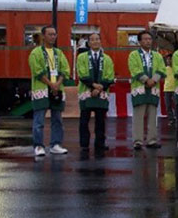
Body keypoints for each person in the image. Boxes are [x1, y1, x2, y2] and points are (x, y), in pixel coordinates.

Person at [28, 25, 70, 156]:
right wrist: (51, 84)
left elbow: (65, 69)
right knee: (39, 119)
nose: (53, 37)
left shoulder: (59, 53)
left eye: (54, 34)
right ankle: (39, 146)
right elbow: (37, 71)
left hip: (57, 89)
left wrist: (57, 83)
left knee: (57, 119)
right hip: (42, 89)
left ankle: (55, 144)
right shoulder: (36, 53)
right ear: (43, 36)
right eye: (50, 34)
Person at [77, 32, 115, 151]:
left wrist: (100, 88)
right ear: (88, 43)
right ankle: (84, 144)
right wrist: (93, 86)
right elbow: (82, 74)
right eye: (92, 40)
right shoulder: (82, 57)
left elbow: (110, 76)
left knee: (100, 120)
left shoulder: (107, 58)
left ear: (100, 41)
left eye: (97, 39)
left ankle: (100, 143)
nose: (95, 41)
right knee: (84, 119)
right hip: (86, 92)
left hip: (101, 93)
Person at [128, 31, 166, 149]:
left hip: (153, 88)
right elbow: (134, 69)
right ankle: (138, 141)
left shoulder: (157, 55)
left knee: (153, 115)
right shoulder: (134, 55)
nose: (148, 41)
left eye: (149, 39)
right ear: (139, 41)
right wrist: (146, 80)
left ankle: (152, 140)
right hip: (139, 88)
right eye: (145, 39)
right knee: (138, 115)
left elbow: (162, 69)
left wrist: (153, 80)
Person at [163, 54, 176, 124]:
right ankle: (171, 119)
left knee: (177, 105)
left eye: (170, 59)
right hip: (166, 89)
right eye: (167, 59)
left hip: (175, 89)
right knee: (168, 105)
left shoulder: (176, 68)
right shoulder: (165, 68)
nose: (169, 61)